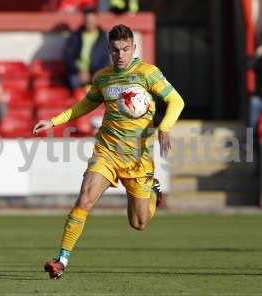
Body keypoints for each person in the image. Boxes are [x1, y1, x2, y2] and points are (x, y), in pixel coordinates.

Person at [33, 24, 185, 279]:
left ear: (134, 48)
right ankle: (62, 260)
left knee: (139, 223)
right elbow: (84, 105)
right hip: (107, 153)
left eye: (126, 49)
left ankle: (152, 190)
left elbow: (176, 101)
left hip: (137, 160)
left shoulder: (148, 74)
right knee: (84, 200)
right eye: (116, 50)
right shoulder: (103, 77)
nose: (121, 54)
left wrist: (164, 127)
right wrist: (54, 121)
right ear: (109, 50)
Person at [63, 7, 110, 91]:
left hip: (95, 73)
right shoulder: (75, 36)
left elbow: (106, 60)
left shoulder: (103, 37)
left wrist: (97, 73)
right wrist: (78, 71)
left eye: (92, 20)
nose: (89, 22)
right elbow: (68, 57)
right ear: (84, 20)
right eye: (87, 20)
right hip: (78, 73)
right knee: (74, 82)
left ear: (96, 19)